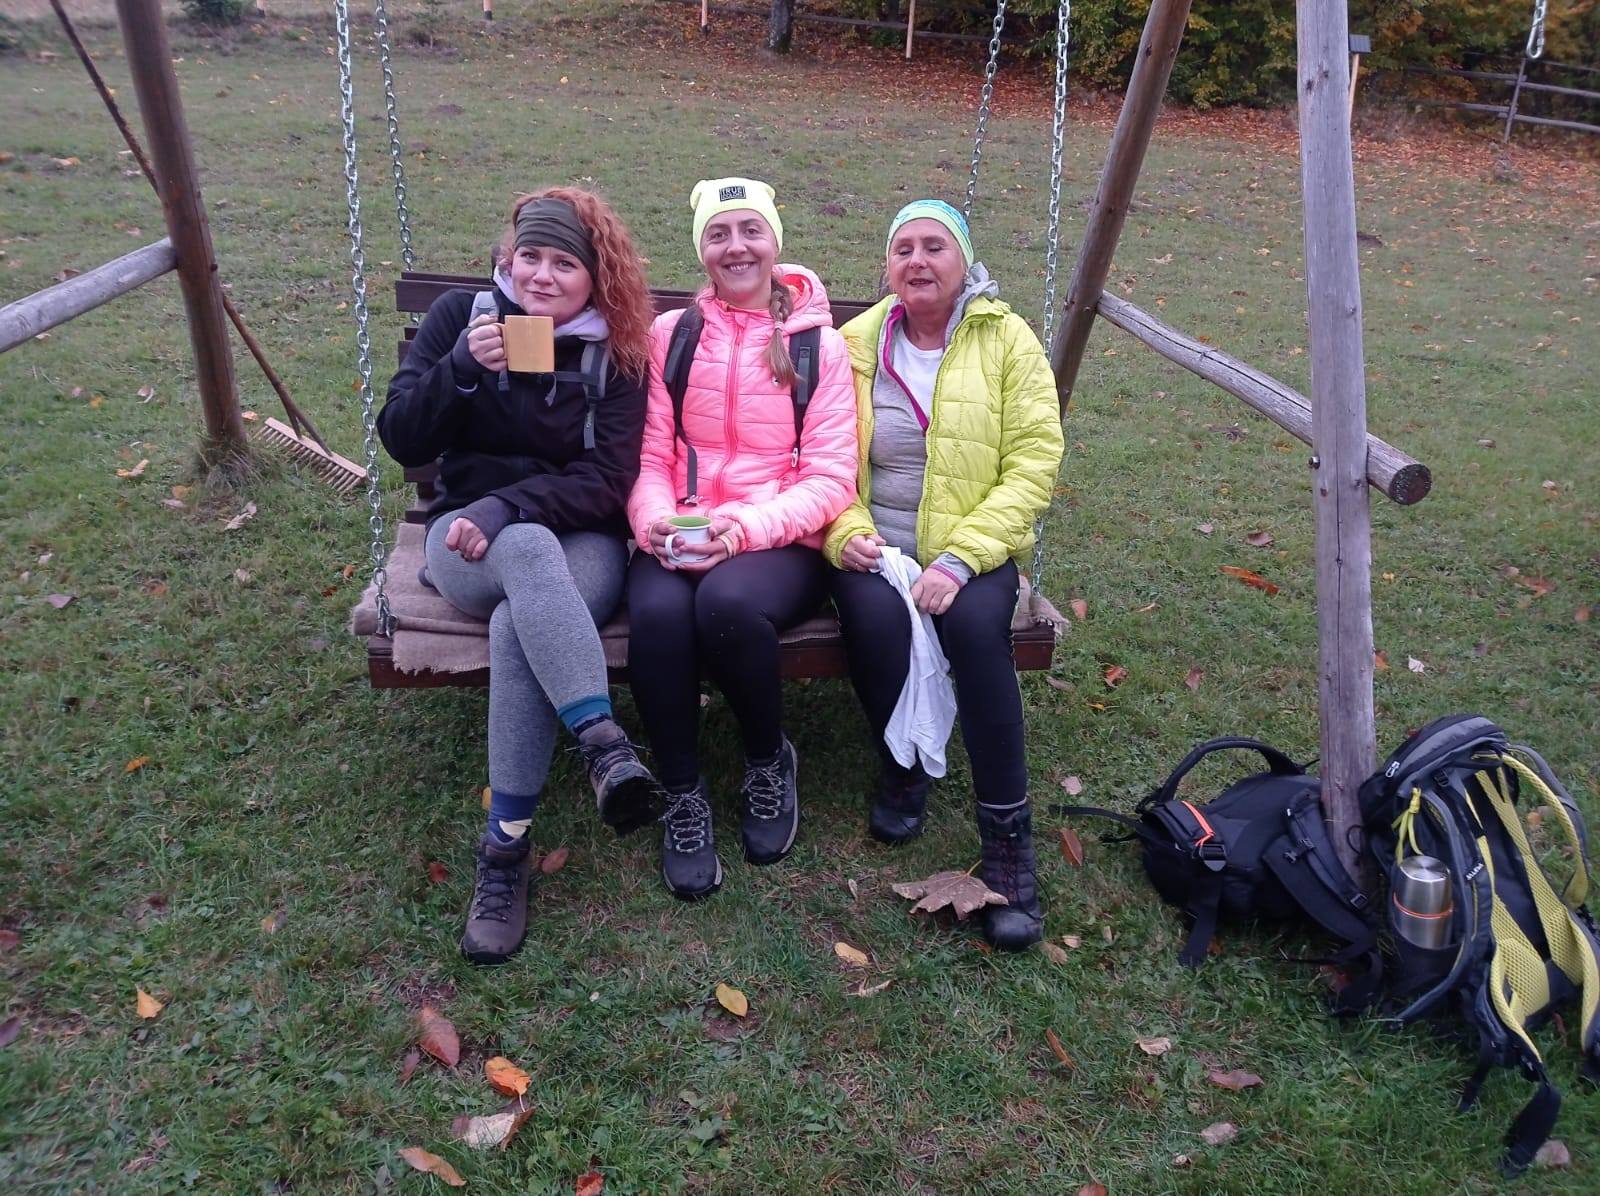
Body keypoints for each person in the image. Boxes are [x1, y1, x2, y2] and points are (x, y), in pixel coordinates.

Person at [378, 187, 659, 964]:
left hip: (580, 544)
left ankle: (503, 850)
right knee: (524, 559)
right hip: (465, 541)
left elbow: (611, 479)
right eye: (529, 256)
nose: (541, 275)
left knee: (520, 613)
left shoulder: (617, 350)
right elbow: (403, 439)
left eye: (564, 263)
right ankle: (603, 746)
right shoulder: (460, 321)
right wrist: (462, 369)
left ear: (595, 277)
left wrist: (510, 505)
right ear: (508, 256)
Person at [824, 199, 1065, 951]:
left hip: (974, 547)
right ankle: (904, 764)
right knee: (873, 620)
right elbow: (823, 459)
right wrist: (848, 532)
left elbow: (1033, 464)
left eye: (935, 247)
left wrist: (960, 558)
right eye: (904, 249)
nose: (918, 261)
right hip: (880, 547)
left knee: (973, 629)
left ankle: (1007, 838)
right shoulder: (854, 345)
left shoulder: (1008, 340)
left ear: (965, 263)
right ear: (887, 268)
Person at [626, 177, 858, 900]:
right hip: (685, 523)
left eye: (750, 230)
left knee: (725, 604)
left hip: (778, 537)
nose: (736, 247)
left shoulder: (817, 346)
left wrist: (747, 529)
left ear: (774, 242)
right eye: (718, 233)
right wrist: (654, 522)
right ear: (701, 249)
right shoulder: (673, 335)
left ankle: (766, 760)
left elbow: (831, 478)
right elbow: (650, 455)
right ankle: (682, 793)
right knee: (657, 614)